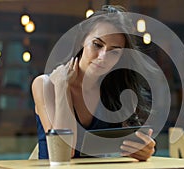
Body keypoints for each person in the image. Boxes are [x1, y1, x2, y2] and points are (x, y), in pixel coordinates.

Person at [31, 5, 156, 161]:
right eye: (97, 45)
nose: (103, 56)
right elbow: (64, 153)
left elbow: (129, 146)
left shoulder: (115, 92)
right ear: (83, 40)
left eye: (114, 51)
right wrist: (63, 87)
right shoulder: (45, 85)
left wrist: (144, 150)